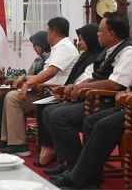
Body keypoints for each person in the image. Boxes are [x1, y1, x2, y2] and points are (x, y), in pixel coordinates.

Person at [52, 2, 132, 189]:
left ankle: (78, 180)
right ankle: (90, 179)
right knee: (92, 121)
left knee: (103, 125)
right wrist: (131, 91)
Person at [43, 11, 132, 178]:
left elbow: (116, 84)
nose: (97, 34)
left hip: (110, 102)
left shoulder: (129, 50)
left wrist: (83, 89)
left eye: (100, 31)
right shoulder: (107, 51)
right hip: (97, 98)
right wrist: (74, 86)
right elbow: (92, 75)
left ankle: (77, 169)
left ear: (111, 34)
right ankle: (70, 163)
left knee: (60, 116)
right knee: (49, 111)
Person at [0, 17, 79, 156]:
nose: (47, 34)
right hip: (45, 89)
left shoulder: (65, 48)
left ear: (54, 33)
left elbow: (51, 72)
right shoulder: (58, 48)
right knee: (10, 96)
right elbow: (45, 73)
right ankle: (8, 140)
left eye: (48, 31)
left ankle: (19, 145)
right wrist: (25, 77)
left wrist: (27, 83)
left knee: (13, 98)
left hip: (55, 92)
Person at [34, 23, 103, 167]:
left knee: (54, 112)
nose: (81, 43)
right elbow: (77, 79)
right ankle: (63, 159)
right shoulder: (85, 56)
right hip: (75, 94)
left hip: (92, 99)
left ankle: (73, 163)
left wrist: (70, 92)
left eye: (83, 39)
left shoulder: (97, 57)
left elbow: (90, 80)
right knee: (48, 109)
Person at [0, 31, 51, 143]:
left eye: (35, 45)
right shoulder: (38, 59)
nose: (33, 48)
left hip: (41, 92)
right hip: (31, 89)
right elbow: (29, 75)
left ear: (43, 44)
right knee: (1, 98)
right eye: (32, 45)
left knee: (6, 98)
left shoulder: (50, 58)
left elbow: (41, 77)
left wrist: (26, 82)